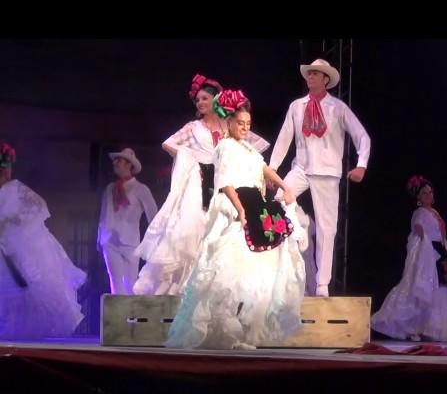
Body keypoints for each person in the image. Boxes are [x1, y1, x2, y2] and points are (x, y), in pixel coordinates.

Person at [165, 90, 305, 350]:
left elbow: (263, 168)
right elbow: (226, 183)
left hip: (254, 204)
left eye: (248, 124)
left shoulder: (248, 147)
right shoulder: (226, 146)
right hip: (234, 206)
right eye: (240, 123)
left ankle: (248, 330)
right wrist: (240, 211)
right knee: (228, 267)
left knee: (260, 269)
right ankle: (226, 328)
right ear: (229, 122)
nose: (244, 128)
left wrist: (284, 186)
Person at [134, 74, 269, 295]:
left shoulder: (229, 125)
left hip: (225, 183)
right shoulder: (193, 127)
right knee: (195, 229)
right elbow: (168, 144)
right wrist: (192, 156)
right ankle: (186, 287)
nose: (200, 103)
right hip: (199, 183)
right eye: (198, 100)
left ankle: (216, 288)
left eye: (205, 98)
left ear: (216, 100)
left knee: (224, 230)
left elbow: (251, 146)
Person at [269, 59, 371, 297]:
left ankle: (322, 284)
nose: (311, 77)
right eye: (310, 73)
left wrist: (361, 165)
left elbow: (362, 136)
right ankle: (276, 266)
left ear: (326, 79)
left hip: (327, 172)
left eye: (316, 74)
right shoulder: (297, 106)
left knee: (327, 228)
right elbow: (285, 137)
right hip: (301, 168)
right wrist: (272, 169)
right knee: (276, 204)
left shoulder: (337, 108)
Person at [371, 176, 447, 342]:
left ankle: (438, 328)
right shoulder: (419, 213)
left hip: (441, 253)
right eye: (425, 193)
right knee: (426, 290)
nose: (429, 196)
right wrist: (424, 240)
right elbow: (417, 228)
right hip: (430, 254)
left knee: (443, 290)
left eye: (430, 193)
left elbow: (442, 234)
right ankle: (415, 327)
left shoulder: (435, 212)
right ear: (418, 197)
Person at [0, 142, 85, 340]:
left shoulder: (15, 188)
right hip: (4, 249)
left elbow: (40, 205)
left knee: (29, 285)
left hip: (20, 245)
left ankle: (23, 336)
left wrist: (14, 221)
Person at [98, 148, 157, 294]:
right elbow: (103, 215)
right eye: (115, 160)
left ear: (129, 164)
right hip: (110, 241)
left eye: (120, 160)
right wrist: (100, 239)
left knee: (130, 284)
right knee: (115, 283)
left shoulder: (140, 189)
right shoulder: (110, 188)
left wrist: (155, 243)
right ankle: (116, 316)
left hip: (130, 242)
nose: (115, 163)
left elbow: (154, 217)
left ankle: (131, 317)